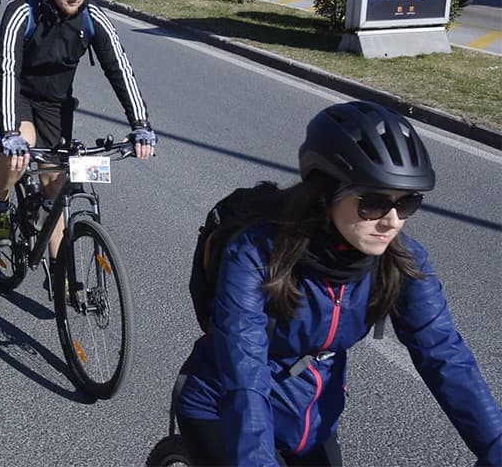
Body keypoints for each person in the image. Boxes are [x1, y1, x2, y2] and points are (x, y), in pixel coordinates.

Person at [175, 101, 502, 466]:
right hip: (225, 408)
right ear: (326, 191)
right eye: (374, 203)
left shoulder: (400, 259)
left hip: (310, 420)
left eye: (408, 202)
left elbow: (444, 354)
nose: (392, 221)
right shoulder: (255, 253)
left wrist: (496, 445)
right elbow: (243, 369)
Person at [0, 0, 155, 258]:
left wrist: (141, 125)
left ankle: (65, 282)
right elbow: (7, 67)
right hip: (14, 92)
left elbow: (120, 68)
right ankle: (0, 202)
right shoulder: (24, 10)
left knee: (56, 181)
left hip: (55, 103)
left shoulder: (93, 18)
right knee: (22, 148)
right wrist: (10, 131)